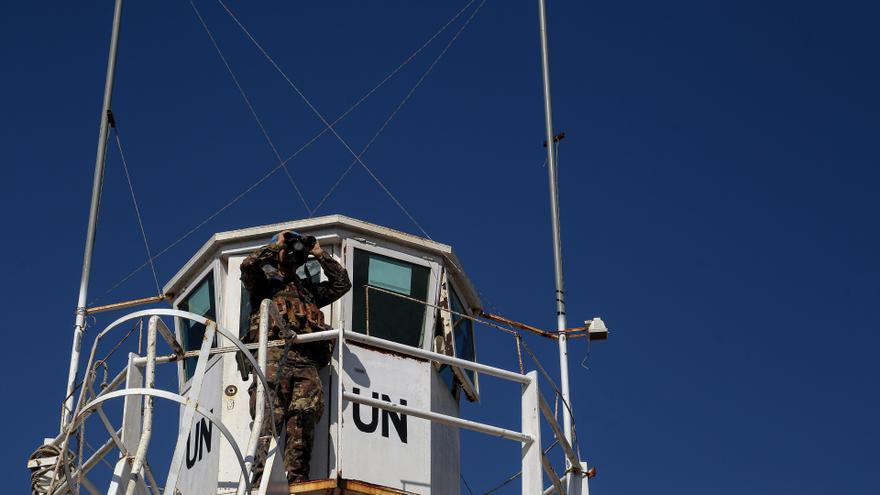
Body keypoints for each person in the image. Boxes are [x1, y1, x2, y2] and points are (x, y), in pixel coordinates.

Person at [240, 230, 351, 485]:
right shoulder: (263, 285)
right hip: (272, 359)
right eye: (286, 251)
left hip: (305, 364)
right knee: (268, 419)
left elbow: (341, 284)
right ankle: (258, 480)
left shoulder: (308, 291)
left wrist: (320, 255)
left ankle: (297, 480)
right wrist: (275, 245)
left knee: (303, 419)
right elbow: (247, 265)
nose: (290, 254)